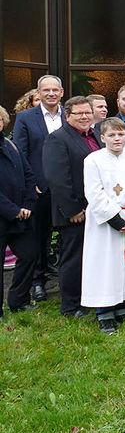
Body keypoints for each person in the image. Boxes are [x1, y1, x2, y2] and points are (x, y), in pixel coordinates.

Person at [80, 118, 125, 334]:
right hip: (106, 223)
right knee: (106, 266)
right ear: (102, 138)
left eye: (120, 134)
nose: (117, 139)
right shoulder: (93, 160)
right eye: (111, 135)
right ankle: (104, 311)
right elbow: (94, 193)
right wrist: (115, 219)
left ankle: (122, 305)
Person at [42, 95, 100, 317]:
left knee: (91, 257)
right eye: (79, 113)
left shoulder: (96, 136)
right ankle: (71, 305)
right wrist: (72, 210)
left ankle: (89, 298)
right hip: (76, 213)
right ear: (67, 116)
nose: (85, 116)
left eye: (88, 112)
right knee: (73, 258)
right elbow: (57, 178)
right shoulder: (58, 139)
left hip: (96, 211)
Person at [12, 74, 65, 302]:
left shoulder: (71, 115)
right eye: (46, 90)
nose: (51, 94)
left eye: (55, 90)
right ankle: (38, 282)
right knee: (39, 237)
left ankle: (68, 281)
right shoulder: (25, 117)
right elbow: (21, 153)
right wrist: (30, 183)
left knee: (67, 236)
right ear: (38, 93)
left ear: (62, 92)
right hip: (39, 188)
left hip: (66, 187)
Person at [0, 104, 39, 318]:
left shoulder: (11, 146)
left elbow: (29, 176)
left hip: (21, 216)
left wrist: (26, 205)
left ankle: (19, 300)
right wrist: (13, 210)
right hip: (5, 215)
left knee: (29, 254)